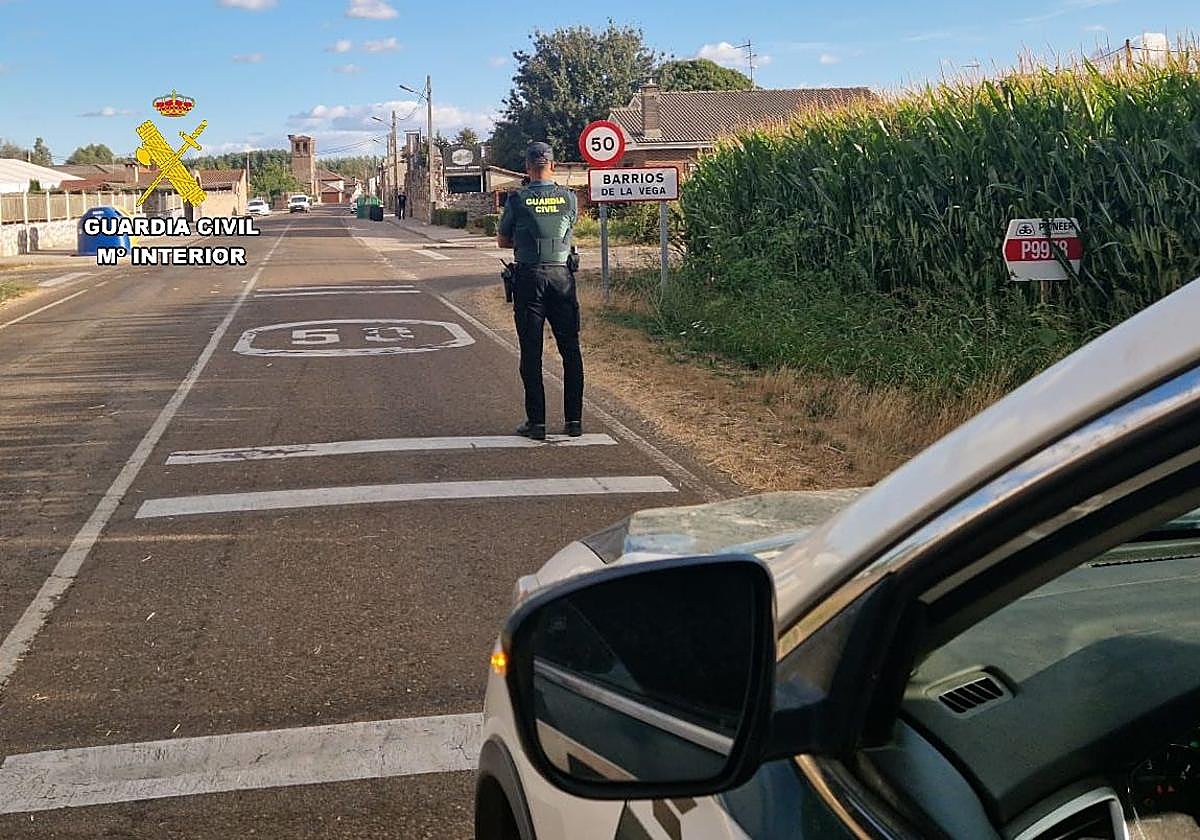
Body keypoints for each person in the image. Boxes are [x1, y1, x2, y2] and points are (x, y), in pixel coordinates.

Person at [497, 142, 583, 441]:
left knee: (531, 352)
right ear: (553, 166)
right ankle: (574, 421)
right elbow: (570, 227)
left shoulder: (517, 199)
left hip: (530, 278)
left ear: (527, 168)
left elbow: (502, 241)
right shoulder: (569, 197)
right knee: (570, 350)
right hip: (562, 277)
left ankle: (537, 423)